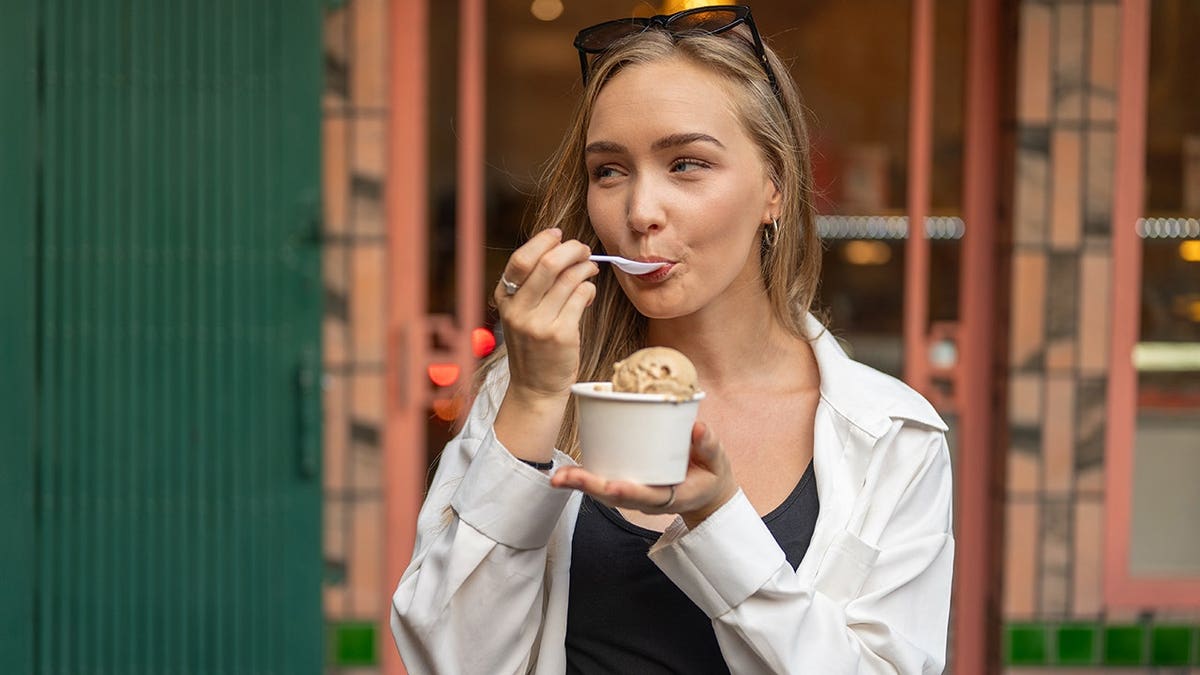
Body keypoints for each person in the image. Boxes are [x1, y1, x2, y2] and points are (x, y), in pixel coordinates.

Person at [391, 6, 954, 673]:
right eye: (609, 171)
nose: (639, 213)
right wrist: (535, 397)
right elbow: (450, 659)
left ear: (774, 185)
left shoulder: (894, 436)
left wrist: (719, 522)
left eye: (686, 164)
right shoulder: (527, 395)